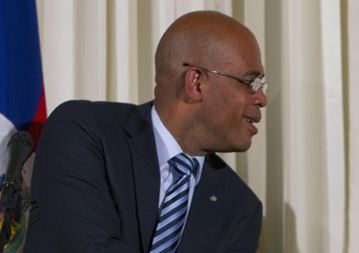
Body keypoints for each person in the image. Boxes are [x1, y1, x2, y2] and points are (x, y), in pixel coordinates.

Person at [24, 11, 267, 252]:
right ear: (196, 83)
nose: (262, 99)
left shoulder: (241, 209)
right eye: (250, 82)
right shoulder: (83, 132)